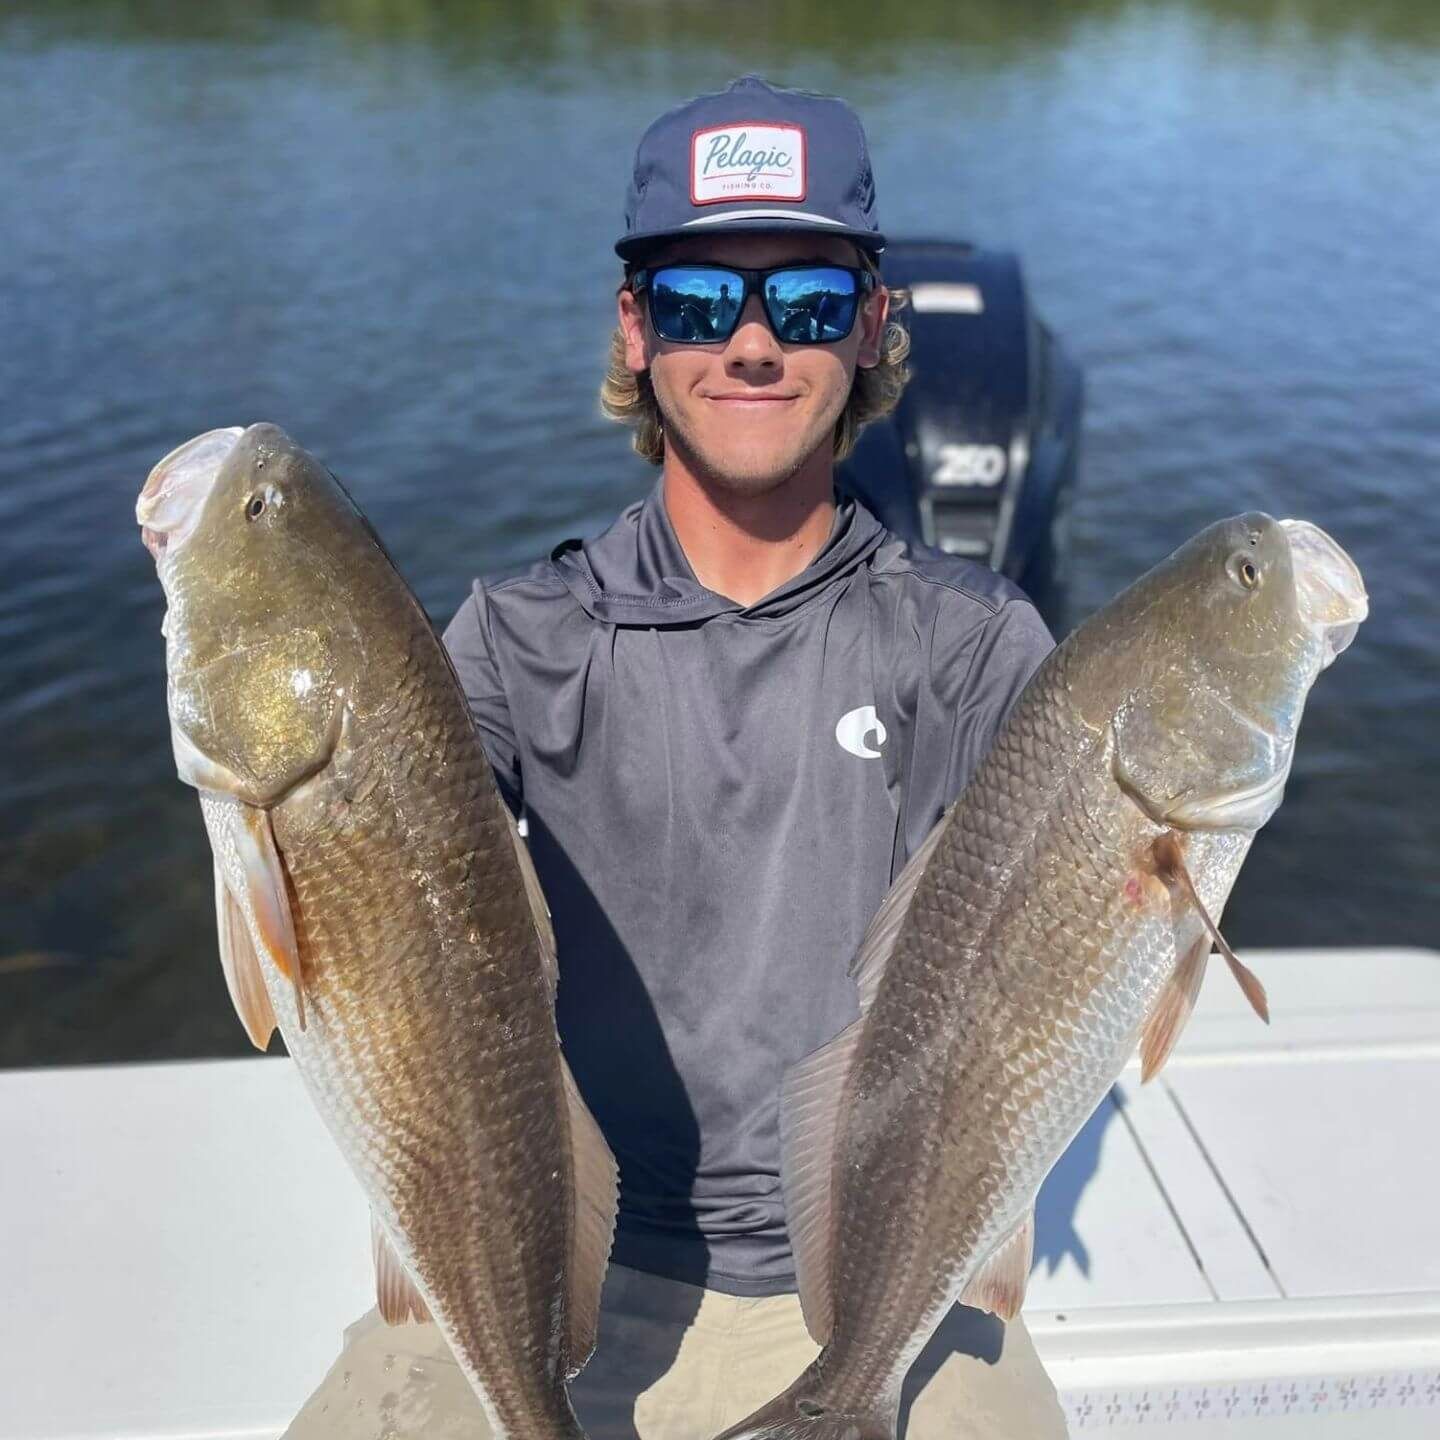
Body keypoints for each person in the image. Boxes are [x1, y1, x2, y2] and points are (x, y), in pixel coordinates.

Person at [283, 76, 1068, 1440]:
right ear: (636, 329)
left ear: (875, 327)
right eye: (703, 301)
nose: (754, 345)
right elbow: (346, 892)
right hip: (546, 1257)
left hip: (876, 1270)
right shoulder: (515, 639)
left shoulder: (971, 646)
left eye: (808, 301)